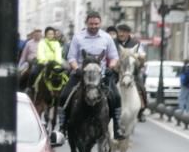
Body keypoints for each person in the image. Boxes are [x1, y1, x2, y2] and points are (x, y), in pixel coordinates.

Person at [57, 11, 125, 139]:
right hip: (81, 75)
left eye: (96, 23)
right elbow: (71, 57)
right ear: (86, 23)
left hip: (102, 75)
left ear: (100, 23)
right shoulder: (78, 37)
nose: (93, 26)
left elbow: (114, 56)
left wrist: (111, 67)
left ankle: (117, 127)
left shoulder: (107, 38)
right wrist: (76, 69)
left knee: (116, 96)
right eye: (91, 24)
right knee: (64, 95)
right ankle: (62, 127)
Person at [113, 23, 149, 120]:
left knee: (141, 88)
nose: (121, 34)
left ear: (128, 33)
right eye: (119, 32)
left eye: (124, 32)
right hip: (116, 72)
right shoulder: (112, 42)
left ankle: (141, 110)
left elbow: (141, 56)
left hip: (132, 73)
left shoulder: (136, 43)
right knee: (107, 87)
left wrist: (140, 59)